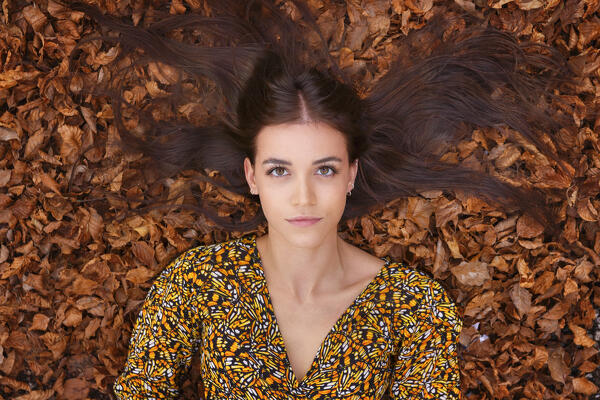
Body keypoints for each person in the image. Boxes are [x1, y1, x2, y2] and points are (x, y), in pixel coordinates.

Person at [70, 1, 577, 398]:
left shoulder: (416, 309)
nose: (304, 195)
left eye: (325, 169)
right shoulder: (200, 282)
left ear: (351, 174)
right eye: (279, 170)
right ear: (251, 176)